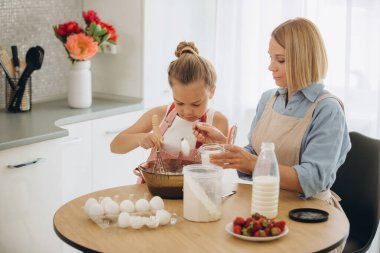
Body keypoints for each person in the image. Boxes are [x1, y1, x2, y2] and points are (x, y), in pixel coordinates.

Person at [194, 18, 351, 208]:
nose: (271, 66)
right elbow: (254, 152)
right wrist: (223, 146)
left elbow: (313, 179)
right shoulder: (268, 99)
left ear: (303, 59)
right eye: (271, 57)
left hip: (309, 210)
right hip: (265, 200)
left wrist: (253, 163)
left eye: (281, 60)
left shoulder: (327, 109)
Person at [111, 41, 229, 167]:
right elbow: (115, 146)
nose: (187, 111)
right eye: (179, 102)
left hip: (196, 187)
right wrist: (140, 138)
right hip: (153, 187)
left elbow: (221, 167)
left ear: (212, 92)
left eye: (196, 104)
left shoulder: (217, 121)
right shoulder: (160, 114)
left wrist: (220, 146)